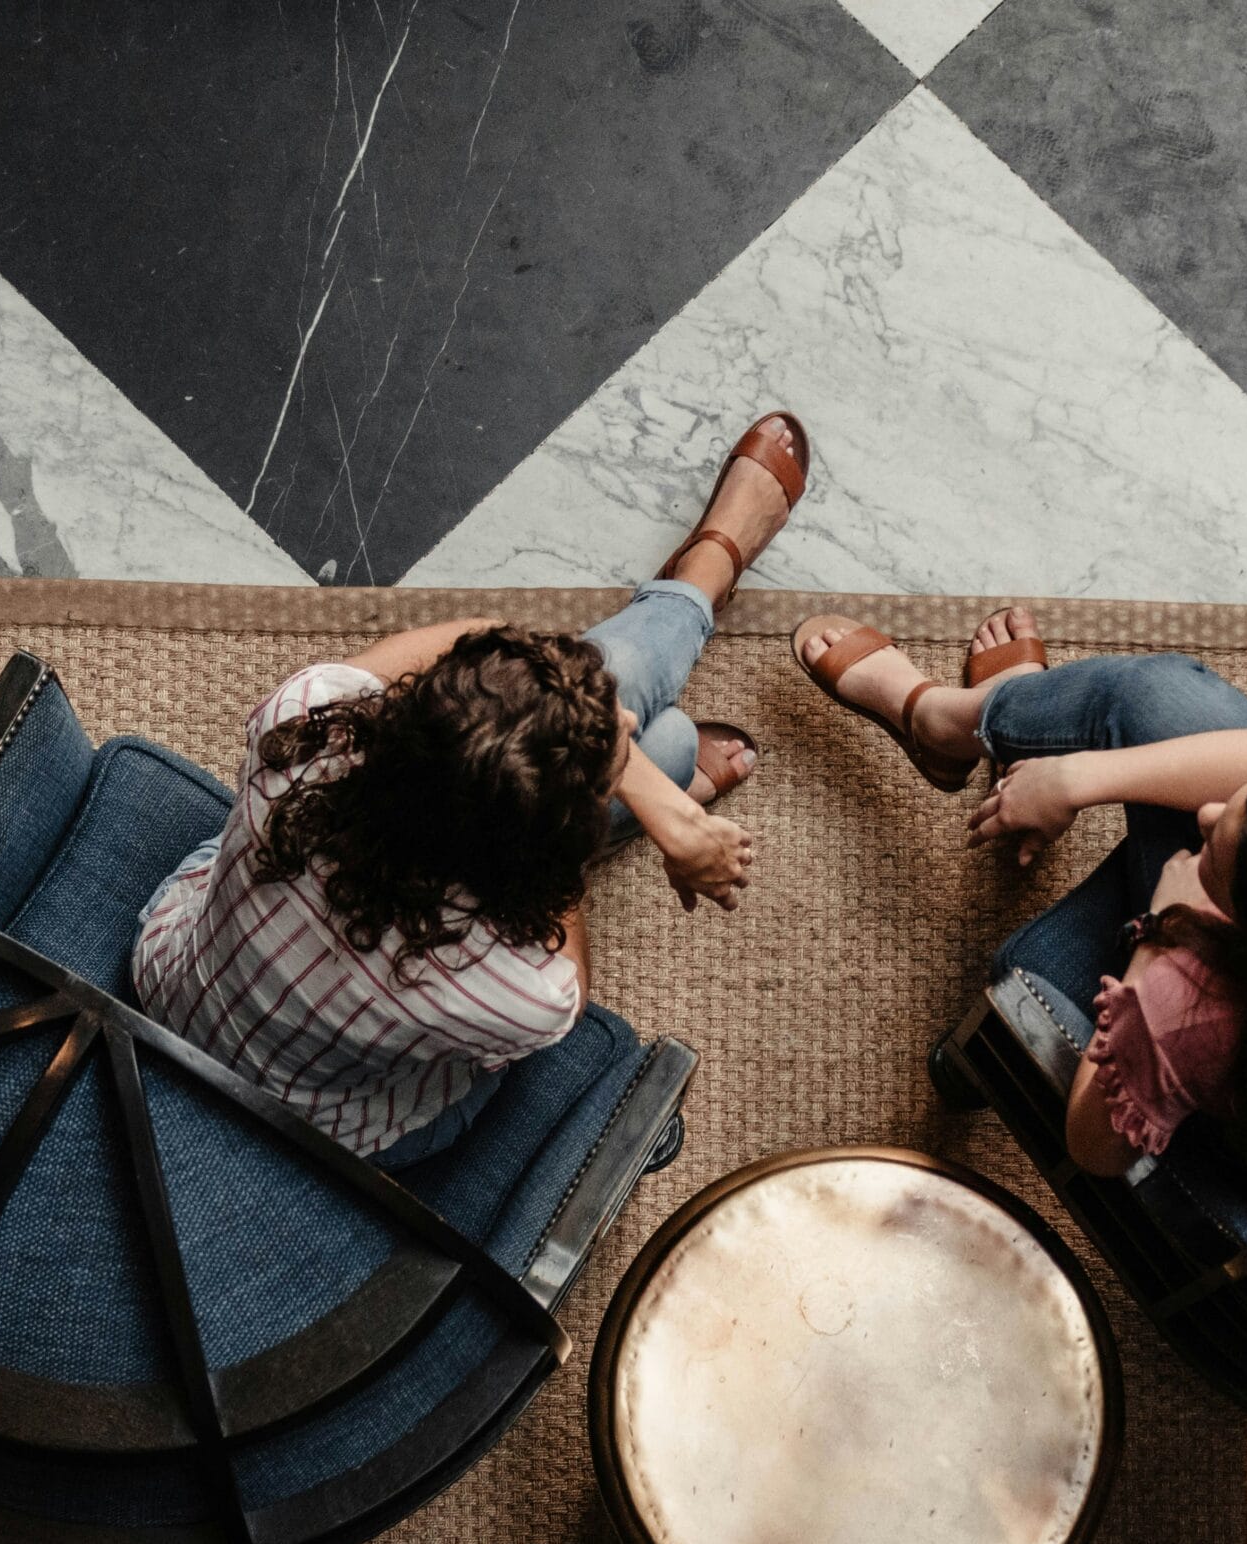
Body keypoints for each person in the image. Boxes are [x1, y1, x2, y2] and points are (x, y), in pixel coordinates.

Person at [133, 413, 808, 1166]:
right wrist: (645, 796)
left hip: (170, 990)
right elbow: (565, 958)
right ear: (545, 857)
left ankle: (693, 605)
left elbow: (490, 643)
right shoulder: (523, 994)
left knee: (633, 723)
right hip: (333, 1135)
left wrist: (643, 790)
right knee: (665, 735)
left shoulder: (302, 730)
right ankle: (705, 576)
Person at [794, 604, 1247, 1196]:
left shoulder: (1195, 1011)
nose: (1211, 816)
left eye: (1220, 852)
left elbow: (1094, 1149)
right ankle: (983, 730)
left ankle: (945, 722)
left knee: (1141, 695)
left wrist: (1164, 931)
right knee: (1152, 714)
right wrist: (1082, 781)